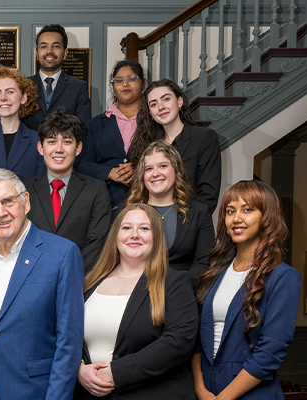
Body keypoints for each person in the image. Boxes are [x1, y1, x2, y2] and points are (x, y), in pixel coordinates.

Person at [0, 168, 84, 400]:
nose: (0, 212)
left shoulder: (63, 254)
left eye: (8, 201)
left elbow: (69, 344)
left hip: (33, 392)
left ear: (25, 202)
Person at [75, 203, 198, 399]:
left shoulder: (174, 282)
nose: (134, 235)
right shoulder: (88, 282)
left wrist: (116, 373)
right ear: (116, 235)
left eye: (144, 228)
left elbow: (178, 341)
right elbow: (64, 334)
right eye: (126, 228)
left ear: (156, 237)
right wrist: (79, 370)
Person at [192, 180, 301, 399]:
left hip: (252, 394)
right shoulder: (214, 272)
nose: (236, 218)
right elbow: (197, 340)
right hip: (206, 391)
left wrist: (224, 398)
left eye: (247, 210)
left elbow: (270, 352)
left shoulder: (283, 277)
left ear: (266, 217)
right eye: (230, 211)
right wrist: (200, 389)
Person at [22, 111, 110, 272]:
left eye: (67, 141)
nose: (59, 149)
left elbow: (97, 243)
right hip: (31, 278)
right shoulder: (23, 190)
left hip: (79, 279)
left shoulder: (96, 190)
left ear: (78, 148)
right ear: (40, 148)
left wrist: (68, 275)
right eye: (52, 141)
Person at [127, 141, 214, 288]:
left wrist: (171, 288)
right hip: (136, 292)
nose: (155, 174)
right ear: (142, 175)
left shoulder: (199, 212)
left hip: (184, 293)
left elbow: (204, 264)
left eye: (163, 166)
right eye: (148, 168)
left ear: (176, 169)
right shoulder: (128, 212)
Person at [132, 79, 221, 213]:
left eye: (166, 99)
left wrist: (188, 226)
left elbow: (208, 195)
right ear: (150, 113)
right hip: (153, 222)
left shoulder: (204, 138)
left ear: (180, 102)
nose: (160, 107)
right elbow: (141, 192)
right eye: (153, 104)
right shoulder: (146, 145)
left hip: (190, 223)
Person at [77, 60, 145, 210]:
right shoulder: (96, 124)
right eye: (119, 80)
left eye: (132, 79)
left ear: (143, 83)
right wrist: (109, 172)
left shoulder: (154, 122)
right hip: (106, 205)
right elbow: (81, 164)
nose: (125, 84)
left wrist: (140, 169)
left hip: (147, 203)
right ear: (113, 87)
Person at [23, 24, 92, 131]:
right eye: (44, 46)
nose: (49, 51)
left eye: (56, 46)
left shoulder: (78, 87)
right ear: (37, 53)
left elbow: (82, 128)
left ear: (65, 53)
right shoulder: (23, 85)